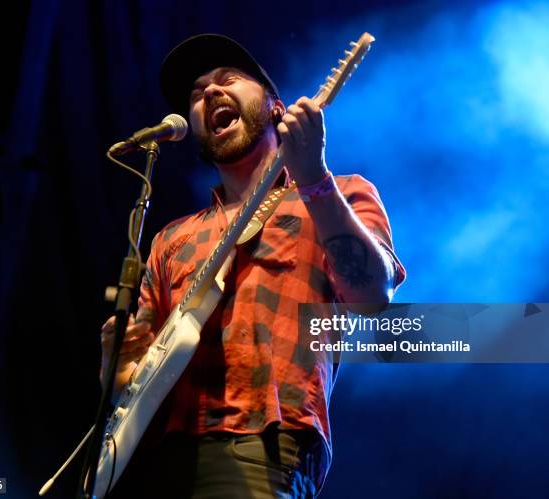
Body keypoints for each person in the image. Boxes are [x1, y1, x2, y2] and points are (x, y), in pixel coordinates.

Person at [100, 34, 405, 498]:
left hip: (259, 442)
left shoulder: (337, 194)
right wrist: (116, 366)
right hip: (154, 457)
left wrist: (315, 178)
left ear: (277, 109)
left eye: (228, 80)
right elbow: (132, 381)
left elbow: (372, 296)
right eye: (197, 92)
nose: (209, 93)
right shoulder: (171, 239)